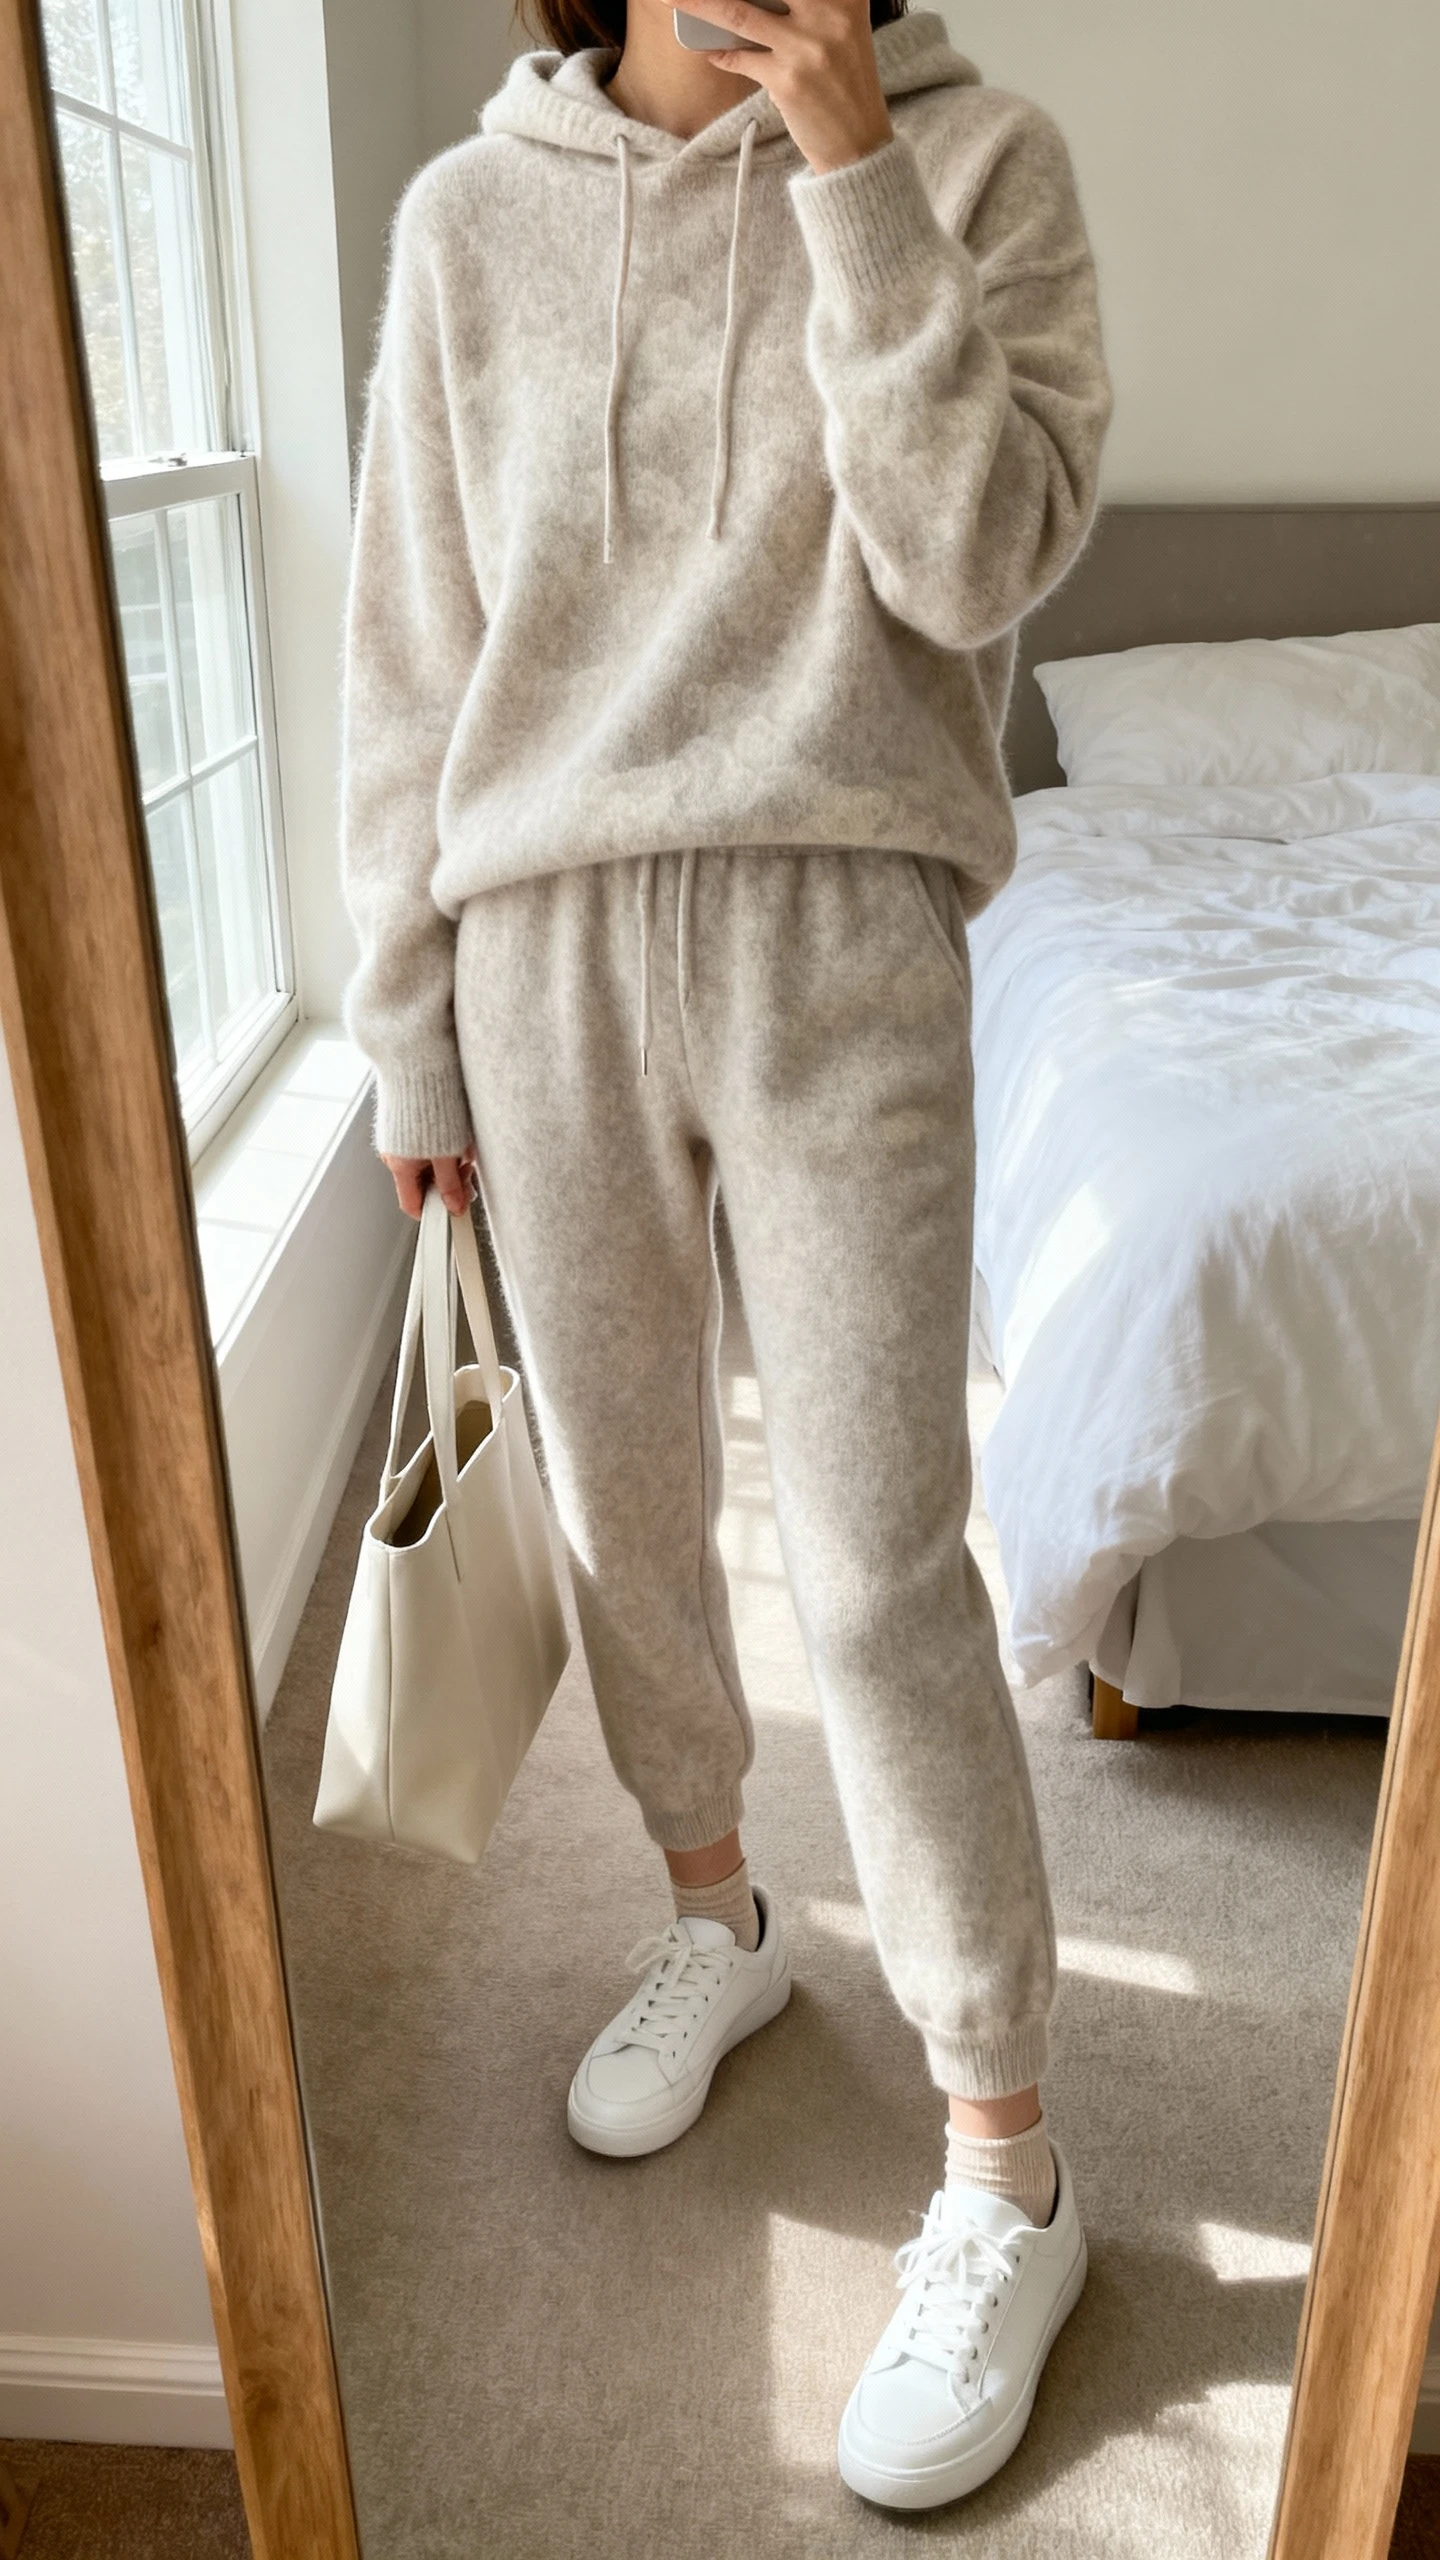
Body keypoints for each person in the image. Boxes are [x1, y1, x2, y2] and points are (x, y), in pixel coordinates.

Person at [341, 0, 1110, 2507]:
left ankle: (1007, 2157)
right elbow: (408, 656)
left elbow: (974, 559)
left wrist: (854, 171)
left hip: (843, 923)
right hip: (540, 942)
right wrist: (407, 1034)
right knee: (628, 1512)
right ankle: (717, 1910)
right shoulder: (470, 223)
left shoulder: (981, 166)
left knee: (879, 1561)